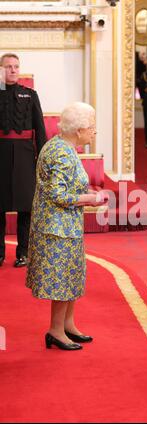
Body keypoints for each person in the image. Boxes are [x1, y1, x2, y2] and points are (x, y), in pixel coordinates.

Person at [26, 102, 103, 351]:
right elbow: (58, 196)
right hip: (56, 228)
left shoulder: (65, 146)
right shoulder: (60, 151)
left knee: (71, 275)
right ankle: (56, 331)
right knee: (60, 279)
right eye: (92, 127)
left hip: (66, 225)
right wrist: (89, 199)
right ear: (79, 130)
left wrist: (84, 193)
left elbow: (66, 186)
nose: (94, 132)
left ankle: (68, 325)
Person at [0, 53, 47, 268]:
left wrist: (43, 157)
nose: (12, 70)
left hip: (25, 155)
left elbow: (40, 129)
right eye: (8, 66)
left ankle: (23, 253)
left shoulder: (30, 94)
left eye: (16, 66)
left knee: (25, 207)